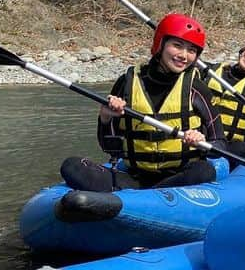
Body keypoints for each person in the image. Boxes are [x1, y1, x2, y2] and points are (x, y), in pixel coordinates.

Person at [60, 13, 226, 192]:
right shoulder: (127, 82)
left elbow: (220, 145)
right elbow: (109, 147)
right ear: (160, 45)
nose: (184, 56)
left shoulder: (197, 88)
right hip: (135, 176)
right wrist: (106, 118)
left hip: (180, 176)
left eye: (192, 50)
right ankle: (145, 195)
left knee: (204, 171)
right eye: (177, 46)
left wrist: (202, 142)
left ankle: (149, 196)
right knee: (72, 166)